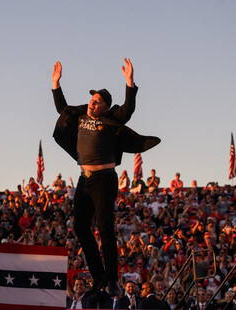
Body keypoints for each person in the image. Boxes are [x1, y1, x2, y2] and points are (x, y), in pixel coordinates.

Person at [52, 58, 160, 296]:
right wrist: (56, 84)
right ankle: (99, 276)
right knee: (80, 227)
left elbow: (128, 109)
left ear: (104, 107)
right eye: (92, 99)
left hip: (104, 180)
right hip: (84, 179)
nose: (93, 102)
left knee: (105, 229)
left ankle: (112, 279)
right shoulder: (81, 116)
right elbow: (63, 109)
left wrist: (130, 83)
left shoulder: (111, 120)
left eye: (98, 101)